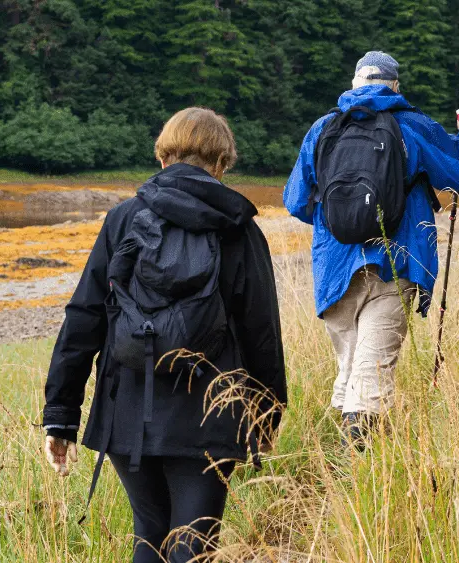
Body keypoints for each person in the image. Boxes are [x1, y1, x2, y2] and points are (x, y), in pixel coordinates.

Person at [41, 107, 287, 563]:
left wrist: (61, 413)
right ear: (220, 163)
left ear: (163, 157)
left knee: (149, 533)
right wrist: (266, 413)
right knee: (194, 544)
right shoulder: (240, 228)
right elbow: (262, 331)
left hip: (127, 407)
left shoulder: (122, 218)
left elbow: (84, 316)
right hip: (209, 408)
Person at [283, 51, 459, 447]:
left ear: (355, 84)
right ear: (395, 86)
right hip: (396, 260)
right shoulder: (412, 124)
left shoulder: (323, 128)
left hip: (334, 267)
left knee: (352, 366)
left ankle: (340, 473)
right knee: (372, 369)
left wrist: (340, 224)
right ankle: (360, 468)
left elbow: (294, 200)